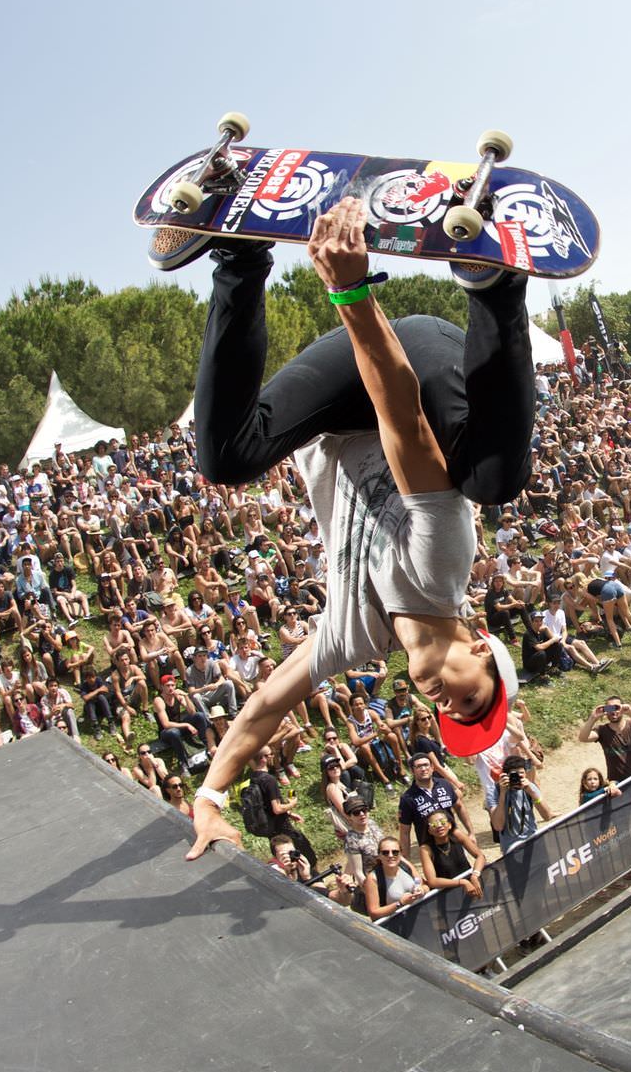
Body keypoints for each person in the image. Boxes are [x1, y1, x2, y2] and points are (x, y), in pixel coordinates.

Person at [187, 199, 531, 857]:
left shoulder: (352, 637)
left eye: (448, 717)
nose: (445, 706)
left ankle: (237, 254)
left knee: (224, 457)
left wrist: (210, 796)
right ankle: (494, 286)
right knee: (493, 480)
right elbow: (402, 412)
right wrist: (348, 288)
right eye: (468, 701)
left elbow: (264, 706)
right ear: (482, 650)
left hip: (341, 408)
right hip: (418, 368)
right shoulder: (443, 568)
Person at [578, 696, 631, 785]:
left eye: (616, 707)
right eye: (609, 708)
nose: (613, 712)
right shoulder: (602, 730)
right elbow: (583, 738)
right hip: (615, 785)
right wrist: (593, 718)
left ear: (622, 708)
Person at [487, 752, 553, 850]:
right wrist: (503, 794)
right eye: (514, 775)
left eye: (521, 775)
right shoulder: (495, 791)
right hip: (511, 848)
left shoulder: (529, 787)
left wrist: (532, 793)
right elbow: (498, 826)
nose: (517, 779)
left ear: (526, 774)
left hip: (533, 841)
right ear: (505, 775)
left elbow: (547, 816)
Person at [418, 812, 484, 901]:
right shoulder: (425, 849)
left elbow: (480, 856)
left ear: (449, 825)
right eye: (434, 824)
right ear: (429, 830)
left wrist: (475, 875)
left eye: (443, 822)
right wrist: (461, 882)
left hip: (471, 886)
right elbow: (432, 881)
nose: (439, 826)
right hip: (447, 894)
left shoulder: (457, 835)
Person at [360, 836, 428, 920]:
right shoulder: (373, 878)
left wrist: (422, 890)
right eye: (385, 853)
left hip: (419, 916)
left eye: (395, 852)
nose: (390, 855)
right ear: (379, 856)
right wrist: (400, 903)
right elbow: (374, 913)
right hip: (394, 924)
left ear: (400, 854)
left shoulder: (406, 866)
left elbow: (426, 886)